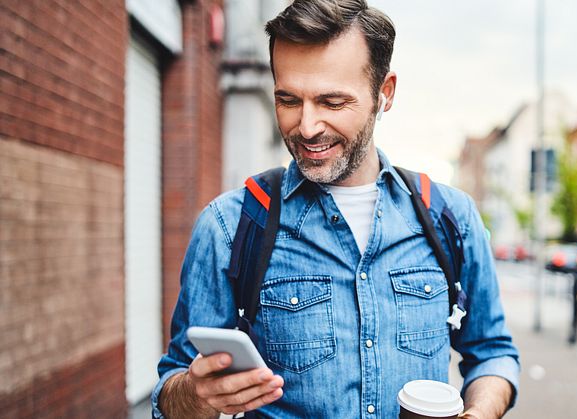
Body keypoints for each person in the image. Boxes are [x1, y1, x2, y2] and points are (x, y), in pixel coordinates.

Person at [152, 1, 519, 417]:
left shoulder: (450, 217)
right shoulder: (229, 226)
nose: (306, 127)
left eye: (331, 102)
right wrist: (197, 396)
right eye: (288, 99)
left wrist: (481, 411)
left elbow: (492, 353)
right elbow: (172, 389)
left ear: (385, 93)